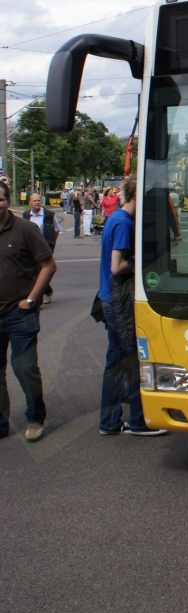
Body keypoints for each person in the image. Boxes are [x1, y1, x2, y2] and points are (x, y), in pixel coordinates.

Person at [98, 175, 169, 436]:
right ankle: (138, 421)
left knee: (117, 359)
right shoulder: (124, 223)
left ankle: (110, 421)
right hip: (119, 301)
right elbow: (117, 266)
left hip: (110, 298)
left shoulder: (116, 218)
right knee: (130, 358)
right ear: (137, 196)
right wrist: (143, 263)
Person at [0, 181, 57, 442]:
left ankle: (35, 418)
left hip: (19, 313)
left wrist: (32, 299)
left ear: (7, 201)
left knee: (24, 367)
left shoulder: (25, 229)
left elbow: (48, 265)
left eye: (0, 199)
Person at [23, 193, 61, 304]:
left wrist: (51, 243)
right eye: (34, 201)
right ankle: (46, 291)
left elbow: (56, 230)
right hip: (30, 247)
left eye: (38, 200)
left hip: (44, 247)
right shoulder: (26, 215)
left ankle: (40, 295)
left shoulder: (49, 215)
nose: (37, 203)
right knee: (33, 271)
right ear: (30, 203)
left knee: (42, 269)